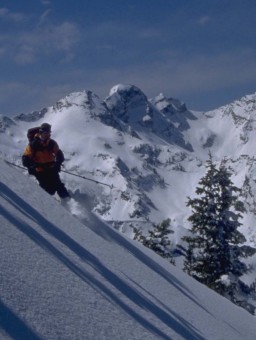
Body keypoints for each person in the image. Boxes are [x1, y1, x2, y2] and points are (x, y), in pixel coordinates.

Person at [22, 123, 70, 199]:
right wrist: (34, 165)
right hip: (40, 171)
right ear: (40, 132)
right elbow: (25, 159)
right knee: (49, 191)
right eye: (46, 133)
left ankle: (68, 202)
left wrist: (57, 164)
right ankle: (46, 205)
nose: (48, 135)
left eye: (49, 133)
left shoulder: (52, 143)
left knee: (59, 185)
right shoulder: (32, 145)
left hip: (52, 168)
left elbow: (59, 154)